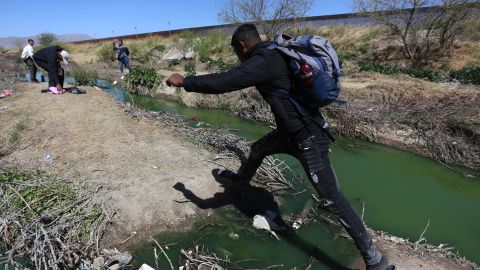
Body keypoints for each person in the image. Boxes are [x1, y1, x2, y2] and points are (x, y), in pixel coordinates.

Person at [167, 24, 395, 270]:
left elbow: (228, 81)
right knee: (257, 150)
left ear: (242, 46)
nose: (238, 57)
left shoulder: (265, 59)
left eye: (236, 51)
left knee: (332, 198)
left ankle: (375, 260)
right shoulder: (273, 54)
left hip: (308, 137)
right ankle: (239, 185)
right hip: (289, 133)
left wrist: (186, 81)